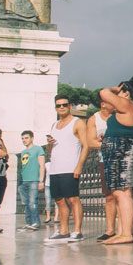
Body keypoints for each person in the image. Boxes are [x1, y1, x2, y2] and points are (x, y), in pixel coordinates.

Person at [97, 78, 133, 245]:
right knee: (123, 192)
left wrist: (116, 88)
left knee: (120, 192)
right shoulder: (129, 106)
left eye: (121, 90)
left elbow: (103, 93)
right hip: (121, 147)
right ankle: (124, 232)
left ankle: (126, 234)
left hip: (121, 149)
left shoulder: (125, 103)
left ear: (126, 92)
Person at [44, 96, 90, 242]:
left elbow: (86, 145)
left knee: (73, 199)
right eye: (58, 105)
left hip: (70, 167)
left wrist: (79, 165)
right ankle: (63, 230)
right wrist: (49, 143)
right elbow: (50, 149)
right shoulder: (54, 125)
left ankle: (77, 231)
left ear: (70, 106)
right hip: (55, 168)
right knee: (59, 200)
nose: (62, 107)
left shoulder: (78, 123)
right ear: (55, 108)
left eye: (64, 105)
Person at [87, 102, 118, 240]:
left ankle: (125, 229)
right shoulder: (94, 119)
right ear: (103, 104)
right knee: (109, 196)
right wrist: (109, 144)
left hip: (122, 158)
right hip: (104, 160)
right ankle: (110, 230)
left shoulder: (120, 115)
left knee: (123, 196)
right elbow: (91, 142)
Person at [15, 130, 45, 231]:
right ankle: (29, 222)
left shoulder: (38, 149)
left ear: (32, 138)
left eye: (26, 138)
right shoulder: (23, 152)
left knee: (32, 202)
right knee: (26, 203)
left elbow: (42, 165)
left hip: (33, 180)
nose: (24, 140)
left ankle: (36, 222)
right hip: (23, 181)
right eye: (22, 138)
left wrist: (41, 181)